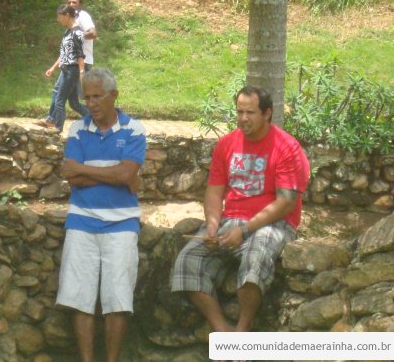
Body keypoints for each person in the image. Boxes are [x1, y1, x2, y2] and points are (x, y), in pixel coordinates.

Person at [170, 85, 309, 333]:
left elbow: (286, 202)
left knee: (256, 257)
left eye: (250, 112)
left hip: (273, 224)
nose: (243, 118)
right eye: (239, 112)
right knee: (187, 260)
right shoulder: (226, 144)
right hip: (230, 222)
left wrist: (244, 230)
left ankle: (241, 331)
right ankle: (222, 330)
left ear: (267, 113)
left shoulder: (287, 147)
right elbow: (214, 191)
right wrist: (212, 226)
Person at [57, 68, 146, 362]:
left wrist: (86, 170)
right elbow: (73, 178)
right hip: (81, 220)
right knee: (79, 299)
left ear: (114, 95)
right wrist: (117, 175)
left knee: (117, 301)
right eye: (87, 97)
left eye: (97, 96)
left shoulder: (134, 130)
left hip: (122, 224)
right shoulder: (77, 130)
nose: (91, 103)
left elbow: (125, 174)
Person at [36, 4, 89, 131]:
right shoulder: (67, 32)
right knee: (73, 103)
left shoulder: (77, 33)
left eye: (59, 16)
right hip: (65, 69)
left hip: (71, 70)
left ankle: (57, 127)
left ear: (67, 16)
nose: (58, 19)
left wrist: (82, 72)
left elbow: (80, 55)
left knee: (59, 100)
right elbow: (64, 54)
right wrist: (53, 68)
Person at [67, 0, 97, 72]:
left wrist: (75, 35)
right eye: (69, 2)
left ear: (80, 5)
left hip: (82, 61)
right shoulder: (72, 18)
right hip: (72, 61)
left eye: (74, 2)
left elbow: (93, 33)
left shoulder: (83, 16)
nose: (71, 4)